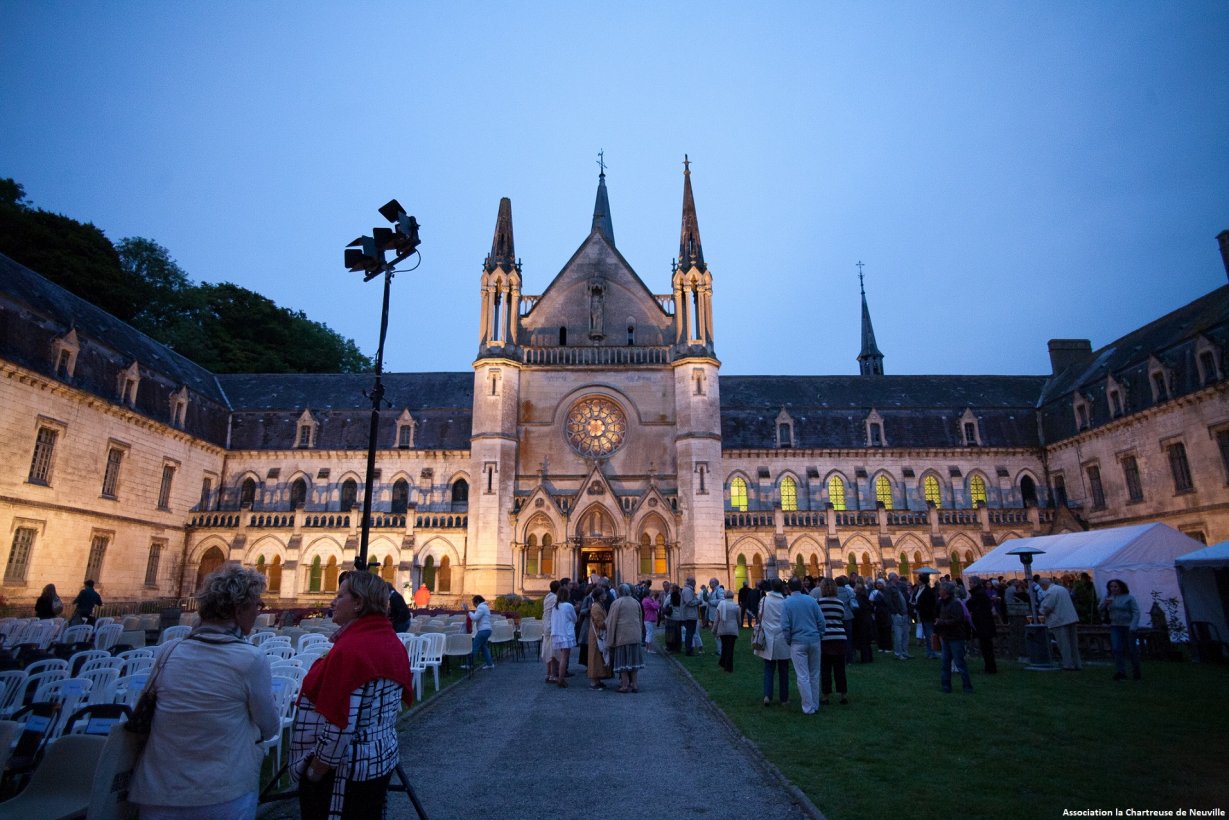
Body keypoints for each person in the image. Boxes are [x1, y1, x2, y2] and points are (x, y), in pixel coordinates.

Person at [129, 565, 280, 819]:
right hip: (220, 793)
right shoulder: (250, 659)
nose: (258, 610)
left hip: (159, 789)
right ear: (238, 608)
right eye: (257, 604)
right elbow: (270, 726)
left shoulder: (168, 652)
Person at [291, 571, 414, 820]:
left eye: (339, 595)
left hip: (345, 772)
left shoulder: (352, 650)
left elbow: (340, 726)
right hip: (379, 760)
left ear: (358, 603)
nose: (332, 602)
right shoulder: (390, 641)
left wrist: (315, 771)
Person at [781, 577, 825, 715]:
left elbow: (785, 626)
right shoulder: (811, 600)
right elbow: (821, 621)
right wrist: (819, 635)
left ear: (788, 588)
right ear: (801, 587)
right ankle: (815, 704)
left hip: (797, 641)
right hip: (814, 640)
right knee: (814, 674)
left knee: (803, 675)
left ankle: (808, 707)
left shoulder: (786, 603)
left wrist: (789, 640)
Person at [754, 578, 791, 707]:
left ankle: (767, 696)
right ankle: (784, 699)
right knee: (783, 669)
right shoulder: (786, 601)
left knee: (769, 668)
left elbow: (759, 616)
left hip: (768, 636)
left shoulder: (764, 600)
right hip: (782, 637)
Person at [934, 581, 974, 694]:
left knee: (960, 663)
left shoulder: (955, 603)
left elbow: (958, 620)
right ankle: (946, 686)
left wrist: (942, 622)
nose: (939, 591)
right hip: (946, 636)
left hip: (956, 637)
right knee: (945, 663)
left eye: (941, 589)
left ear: (946, 591)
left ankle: (967, 687)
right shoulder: (942, 603)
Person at [1100, 578, 1142, 681]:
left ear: (1120, 587)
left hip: (1128, 626)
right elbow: (1099, 608)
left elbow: (1136, 612)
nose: (1113, 589)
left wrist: (1133, 626)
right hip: (1115, 625)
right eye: (1111, 587)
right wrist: (1105, 603)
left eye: (1115, 586)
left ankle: (1136, 671)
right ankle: (1121, 672)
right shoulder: (1109, 597)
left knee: (1132, 650)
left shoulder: (1129, 598)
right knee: (1116, 648)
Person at [815, 578, 848, 705]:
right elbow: (842, 617)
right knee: (840, 668)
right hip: (839, 638)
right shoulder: (840, 603)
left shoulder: (818, 603)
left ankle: (826, 696)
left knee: (825, 669)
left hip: (825, 638)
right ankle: (843, 694)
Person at [1038, 576, 1082, 671]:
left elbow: (1047, 607)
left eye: (1042, 587)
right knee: (1073, 643)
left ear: (1043, 585)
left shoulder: (1051, 592)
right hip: (1071, 618)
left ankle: (1068, 664)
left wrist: (1040, 611)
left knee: (1064, 644)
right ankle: (1077, 663)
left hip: (1060, 620)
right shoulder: (1062, 589)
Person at [607, 583, 644, 693]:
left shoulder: (617, 603)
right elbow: (640, 619)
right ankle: (635, 685)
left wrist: (610, 639)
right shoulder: (636, 602)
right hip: (635, 635)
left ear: (620, 592)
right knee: (634, 661)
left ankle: (624, 685)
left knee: (622, 661)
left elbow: (612, 621)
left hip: (622, 636)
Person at [966, 577, 998, 674]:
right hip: (983, 623)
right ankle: (989, 667)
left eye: (970, 582)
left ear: (975, 583)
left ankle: (990, 668)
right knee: (986, 646)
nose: (969, 584)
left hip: (983, 623)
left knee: (986, 647)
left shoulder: (979, 594)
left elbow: (970, 604)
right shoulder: (979, 593)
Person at [551, 585, 577, 688]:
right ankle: (561, 679)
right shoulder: (568, 606)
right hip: (566, 633)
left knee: (561, 656)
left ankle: (558, 676)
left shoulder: (555, 606)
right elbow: (574, 619)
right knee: (564, 657)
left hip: (557, 632)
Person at [586, 585, 611, 690]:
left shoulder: (600, 605)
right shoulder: (596, 606)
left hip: (599, 634)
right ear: (600, 596)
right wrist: (609, 623)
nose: (605, 595)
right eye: (604, 593)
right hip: (596, 635)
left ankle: (598, 679)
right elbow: (599, 623)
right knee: (595, 656)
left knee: (599, 657)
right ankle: (594, 681)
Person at [712, 589, 741, 672]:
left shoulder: (721, 605)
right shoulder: (736, 606)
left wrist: (714, 629)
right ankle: (728, 666)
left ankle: (724, 663)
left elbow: (717, 619)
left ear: (724, 596)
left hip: (723, 629)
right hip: (733, 629)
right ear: (733, 596)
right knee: (730, 648)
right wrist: (738, 626)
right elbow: (739, 620)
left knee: (724, 647)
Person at [463, 595, 494, 670]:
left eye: (473, 603)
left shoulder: (481, 607)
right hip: (487, 630)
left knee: (474, 647)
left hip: (483, 630)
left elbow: (475, 618)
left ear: (477, 602)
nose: (474, 605)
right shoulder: (485, 607)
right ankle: (490, 664)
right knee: (484, 647)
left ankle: (469, 664)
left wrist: (468, 611)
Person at [885, 573, 911, 660]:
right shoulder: (889, 588)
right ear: (893, 578)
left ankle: (904, 652)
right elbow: (888, 602)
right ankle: (898, 653)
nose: (898, 578)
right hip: (897, 614)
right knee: (898, 635)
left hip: (903, 613)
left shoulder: (897, 587)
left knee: (905, 634)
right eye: (897, 577)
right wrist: (896, 612)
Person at [913, 574, 939, 659]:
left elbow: (928, 604)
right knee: (927, 634)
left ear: (922, 581)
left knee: (929, 634)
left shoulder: (927, 591)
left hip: (927, 615)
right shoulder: (920, 589)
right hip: (922, 614)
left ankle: (932, 652)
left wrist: (917, 606)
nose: (917, 581)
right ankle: (929, 651)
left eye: (918, 579)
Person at [542, 580, 559, 683]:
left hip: (545, 625)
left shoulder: (547, 597)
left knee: (548, 650)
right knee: (553, 651)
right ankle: (553, 674)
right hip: (551, 626)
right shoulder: (555, 598)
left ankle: (548, 673)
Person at [680, 577, 701, 655]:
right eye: (694, 582)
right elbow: (689, 602)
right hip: (689, 615)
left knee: (690, 633)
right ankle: (689, 650)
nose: (695, 583)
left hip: (690, 615)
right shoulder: (688, 590)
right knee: (689, 633)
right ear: (692, 582)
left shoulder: (687, 590)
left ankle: (689, 649)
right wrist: (698, 601)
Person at [641, 585, 660, 653]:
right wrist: (656, 600)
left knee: (648, 633)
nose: (652, 593)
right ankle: (649, 649)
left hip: (646, 619)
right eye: (650, 592)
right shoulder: (648, 601)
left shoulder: (645, 600)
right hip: (649, 618)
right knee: (650, 634)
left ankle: (647, 648)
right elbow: (656, 606)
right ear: (648, 593)